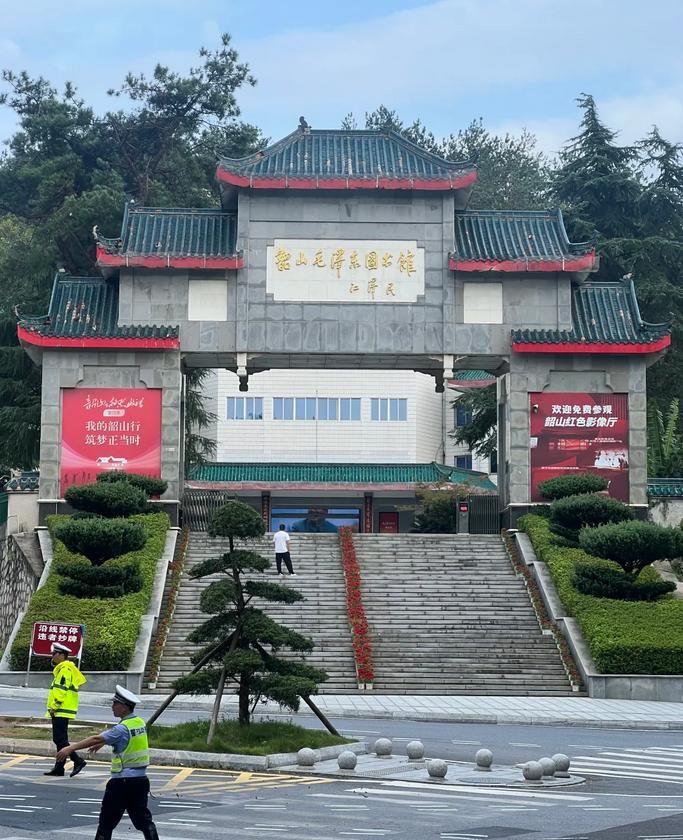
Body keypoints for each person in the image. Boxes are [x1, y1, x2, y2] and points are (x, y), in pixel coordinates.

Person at [56, 684, 159, 840]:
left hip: (121, 783)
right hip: (140, 781)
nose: (112, 707)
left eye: (115, 703)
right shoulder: (139, 723)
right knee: (144, 821)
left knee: (106, 823)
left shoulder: (121, 728)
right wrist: (104, 742)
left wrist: (70, 748)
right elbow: (124, 740)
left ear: (124, 707)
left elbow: (96, 738)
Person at [44, 641, 87, 777]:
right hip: (63, 710)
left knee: (60, 740)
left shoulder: (64, 670)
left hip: (60, 709)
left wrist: (54, 707)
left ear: (61, 655)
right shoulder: (66, 669)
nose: (52, 656)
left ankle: (78, 761)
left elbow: (60, 690)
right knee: (61, 739)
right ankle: (59, 767)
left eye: (54, 654)